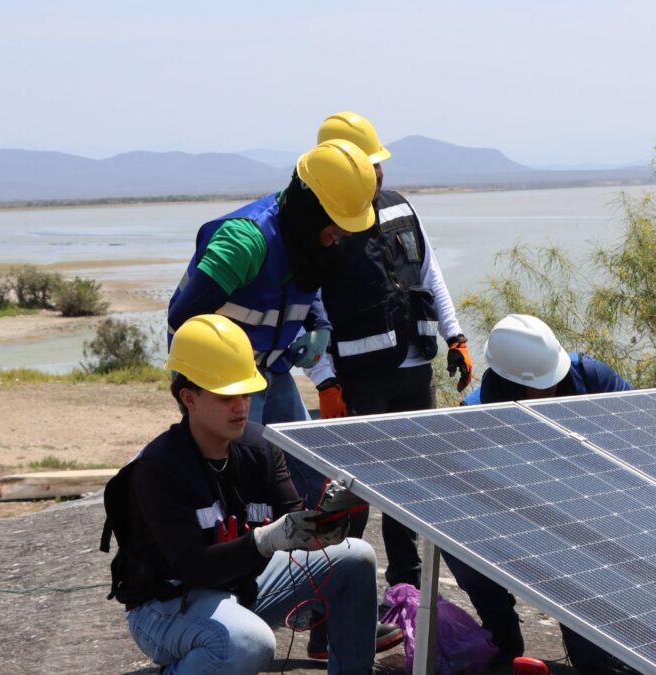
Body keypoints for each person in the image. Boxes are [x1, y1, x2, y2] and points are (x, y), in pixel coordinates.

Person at [100, 314, 397, 674]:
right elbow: (192, 567)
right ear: (188, 398)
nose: (240, 405)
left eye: (244, 392)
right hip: (168, 605)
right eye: (226, 395)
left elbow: (292, 515)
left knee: (355, 556)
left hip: (239, 585)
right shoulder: (157, 469)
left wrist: (321, 528)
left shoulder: (260, 448)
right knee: (250, 645)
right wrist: (264, 540)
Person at [308, 111, 472, 593]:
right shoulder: (320, 229)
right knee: (348, 491)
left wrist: (455, 337)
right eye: (367, 162)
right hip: (358, 380)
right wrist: (326, 382)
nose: (378, 172)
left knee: (409, 487)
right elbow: (310, 310)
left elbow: (430, 274)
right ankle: (334, 595)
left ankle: (407, 588)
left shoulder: (401, 208)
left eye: (378, 162)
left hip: (413, 370)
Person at [450, 314, 635, 674]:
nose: (553, 387)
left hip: (599, 515)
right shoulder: (476, 416)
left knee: (597, 663)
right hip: (520, 521)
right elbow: (470, 498)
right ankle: (502, 640)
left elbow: (643, 430)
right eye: (542, 385)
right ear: (509, 382)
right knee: (455, 537)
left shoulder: (590, 376)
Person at [167, 138, 376, 429]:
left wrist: (320, 326)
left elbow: (303, 278)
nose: (346, 233)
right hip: (221, 380)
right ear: (313, 209)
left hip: (269, 366)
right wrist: (230, 384)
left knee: (305, 460)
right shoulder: (244, 243)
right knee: (240, 465)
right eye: (340, 222)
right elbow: (182, 318)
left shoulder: (303, 235)